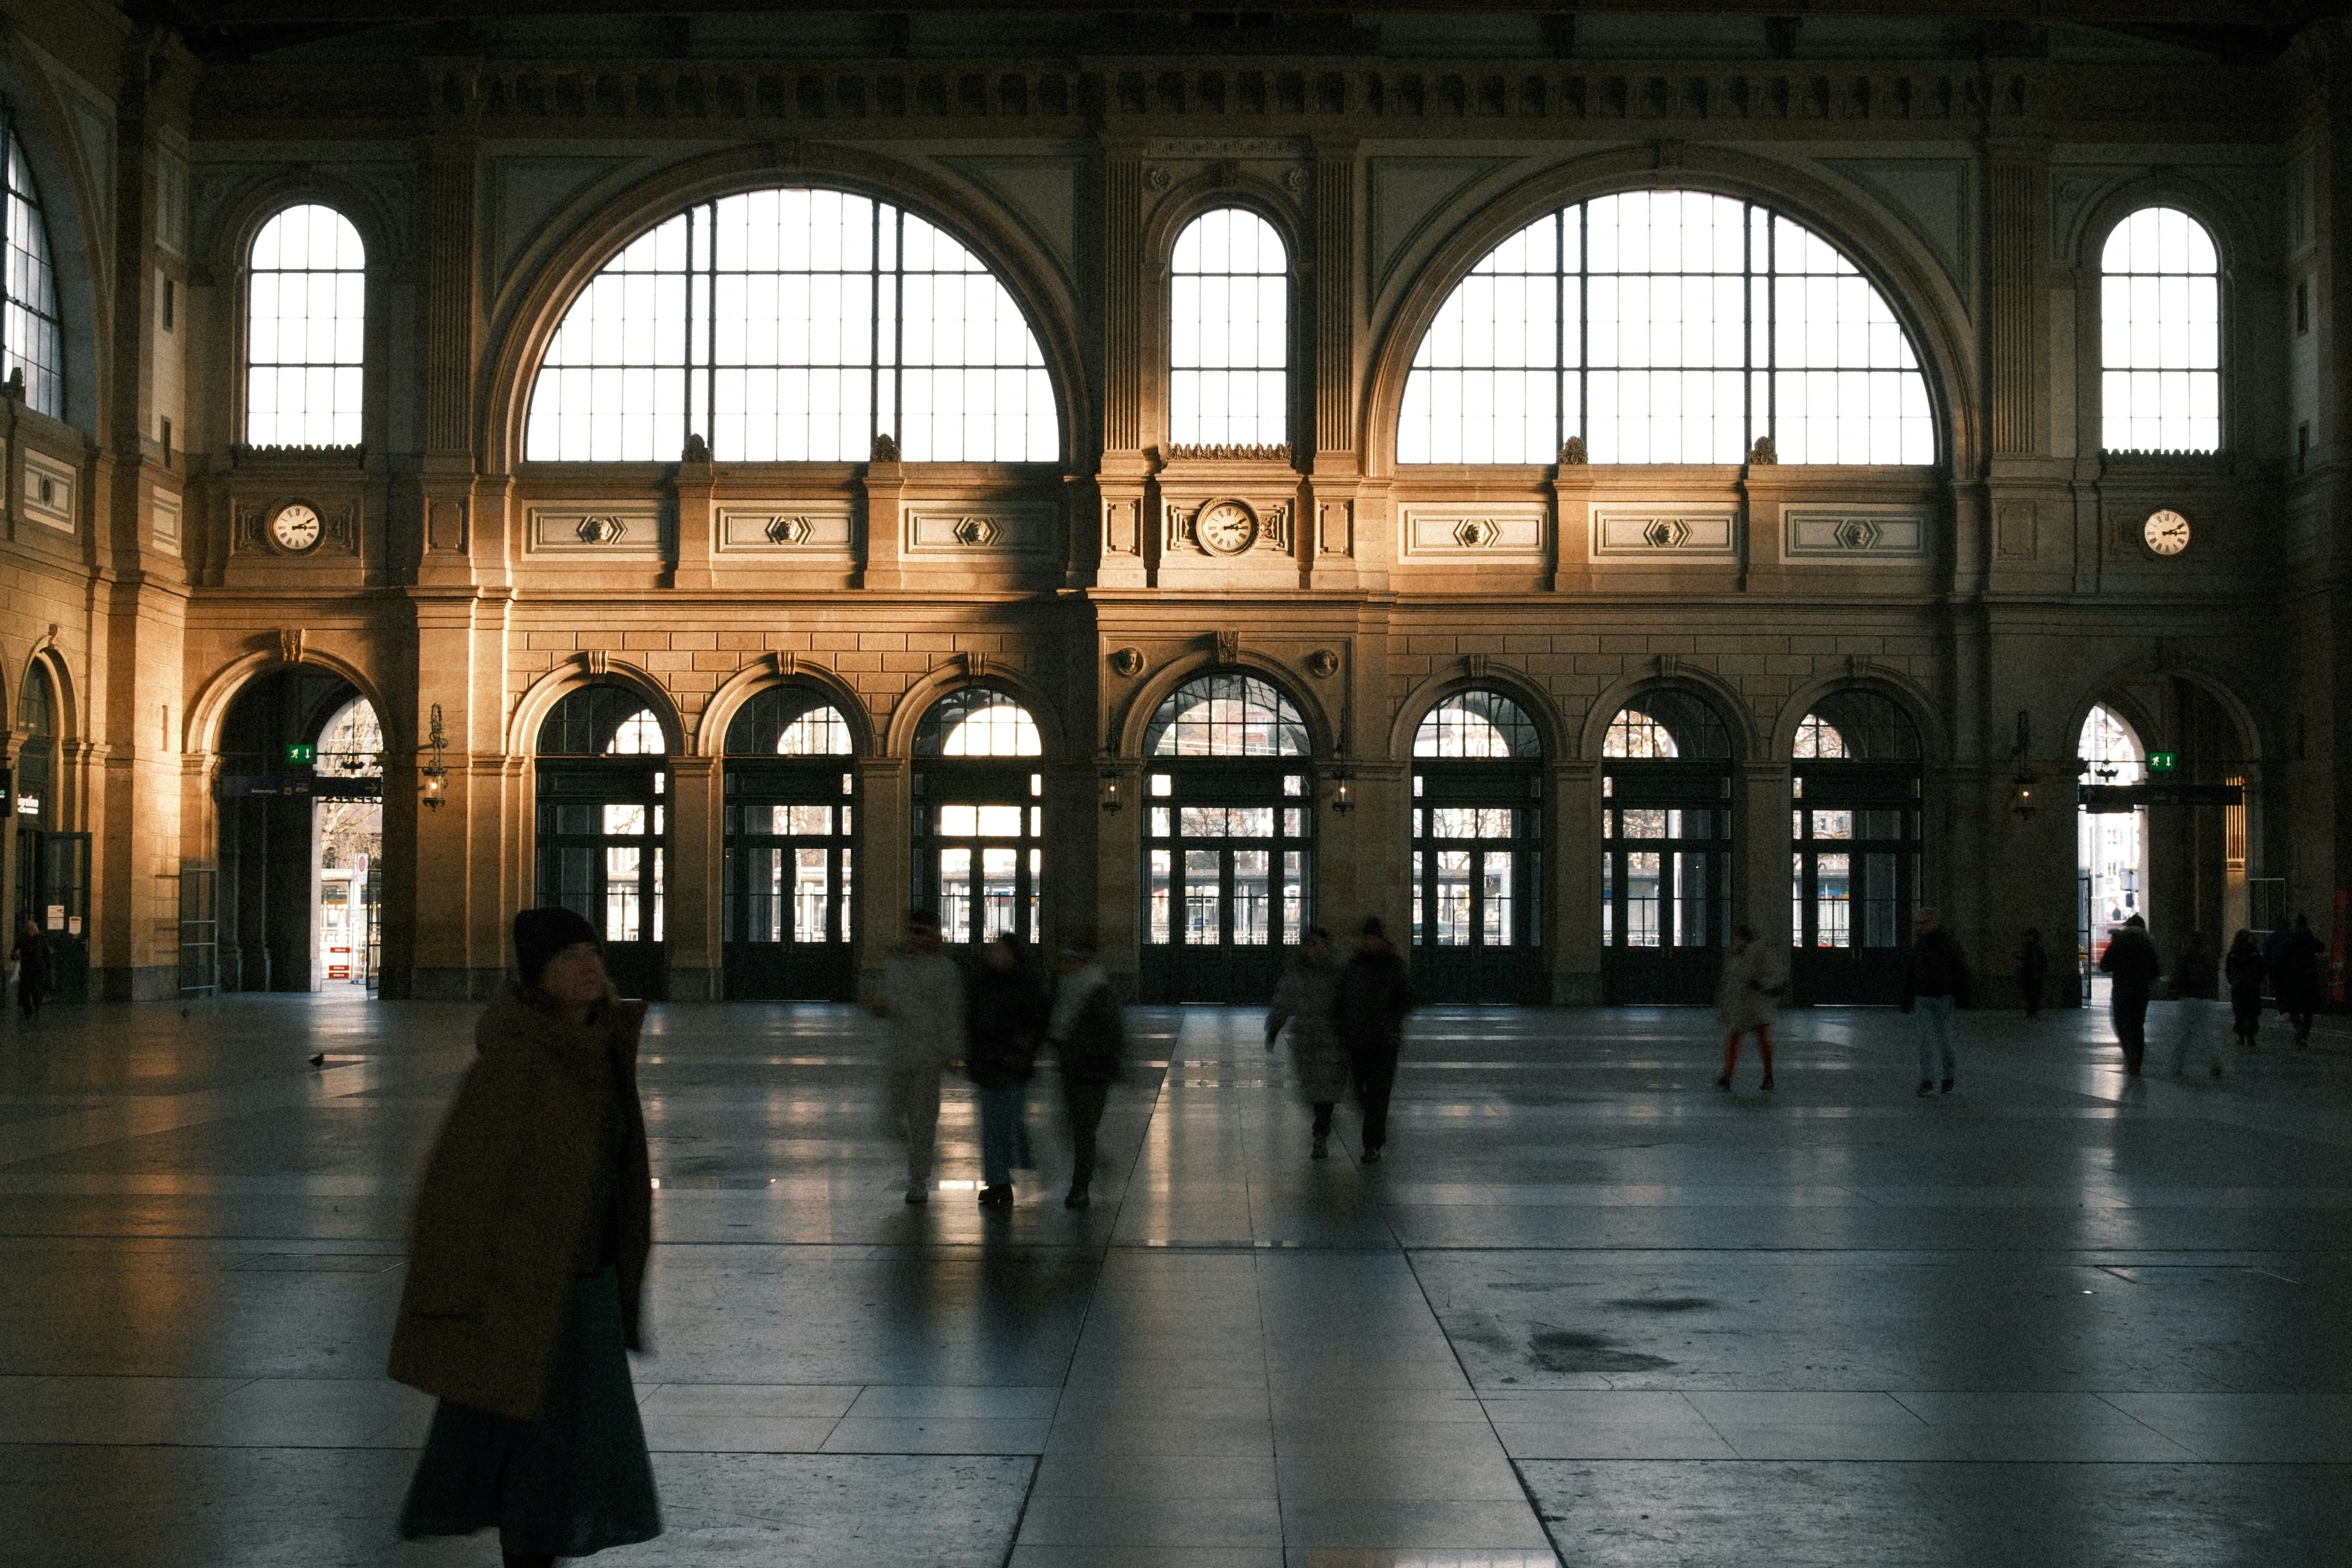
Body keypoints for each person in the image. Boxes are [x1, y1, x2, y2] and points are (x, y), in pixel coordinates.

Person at [390, 906, 660, 1568]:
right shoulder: (519, 1060)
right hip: (527, 1287)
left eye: (593, 953)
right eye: (569, 957)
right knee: (535, 1437)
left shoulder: (599, 1049)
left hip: (586, 1279)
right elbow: (459, 1186)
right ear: (537, 976)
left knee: (565, 1437)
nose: (589, 968)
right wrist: (449, 1297)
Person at [870, 910, 965, 1205]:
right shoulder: (895, 965)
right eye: (911, 931)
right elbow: (882, 999)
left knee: (923, 1121)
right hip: (899, 1053)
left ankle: (918, 1177)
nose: (915, 937)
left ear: (933, 936)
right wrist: (879, 1006)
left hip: (928, 1055)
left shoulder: (944, 970)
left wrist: (953, 1053)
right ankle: (920, 1154)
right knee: (892, 1117)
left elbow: (951, 1014)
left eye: (921, 932)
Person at [966, 932, 1047, 1208]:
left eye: (1000, 951)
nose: (994, 955)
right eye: (993, 950)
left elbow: (1036, 1022)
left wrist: (1023, 1047)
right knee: (992, 1127)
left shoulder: (1026, 985)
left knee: (1008, 1124)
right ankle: (999, 1182)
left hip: (1012, 1065)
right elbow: (971, 1019)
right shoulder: (982, 983)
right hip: (989, 1064)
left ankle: (1015, 1169)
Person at [1047, 939, 1123, 1210]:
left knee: (1083, 1130)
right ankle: (1091, 1169)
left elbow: (1113, 1032)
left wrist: (1113, 1066)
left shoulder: (1097, 990)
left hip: (1092, 1071)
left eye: (1071, 959)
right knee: (1073, 1129)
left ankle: (1080, 1186)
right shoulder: (1066, 986)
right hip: (1071, 1069)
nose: (1066, 964)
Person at [1332, 917, 1413, 1163]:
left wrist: (1391, 1023)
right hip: (1358, 1041)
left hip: (1384, 1042)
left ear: (1380, 939)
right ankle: (1374, 1125)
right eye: (1365, 938)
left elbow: (1407, 998)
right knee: (1360, 1092)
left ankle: (1372, 1144)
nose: (1368, 943)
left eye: (1372, 938)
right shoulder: (1354, 966)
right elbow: (1341, 1000)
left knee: (1379, 1093)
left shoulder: (1394, 966)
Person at [1267, 927, 1348, 1158]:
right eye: (1309, 944)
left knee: (1328, 1087)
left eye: (1317, 944)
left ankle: (1321, 1132)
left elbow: (1351, 1002)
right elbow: (1284, 1000)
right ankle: (1323, 1120)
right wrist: (1274, 1026)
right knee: (1313, 1088)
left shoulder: (1338, 973)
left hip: (1332, 1038)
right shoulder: (1297, 973)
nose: (1313, 949)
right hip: (1306, 1040)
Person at [1899, 908, 1971, 1096]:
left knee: (1946, 1041)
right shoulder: (1919, 945)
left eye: (1925, 923)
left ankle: (1949, 1077)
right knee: (1927, 1041)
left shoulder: (1947, 944)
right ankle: (1928, 1081)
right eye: (1919, 923)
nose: (1921, 927)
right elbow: (1912, 972)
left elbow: (1960, 969)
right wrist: (1907, 997)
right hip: (1923, 998)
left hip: (1944, 998)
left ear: (1935, 923)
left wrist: (1963, 994)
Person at [1713, 924, 1783, 1091]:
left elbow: (1772, 975)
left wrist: (1760, 985)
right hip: (1744, 1005)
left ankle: (1760, 1075)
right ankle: (1731, 1075)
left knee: (1754, 1041)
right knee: (1745, 1040)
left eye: (1738, 939)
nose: (1735, 942)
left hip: (1754, 1004)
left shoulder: (1756, 953)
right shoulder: (1738, 956)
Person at [2099, 914, 2162, 1075]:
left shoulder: (2120, 941)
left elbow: (2105, 966)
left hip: (2122, 990)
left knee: (2122, 1025)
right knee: (2137, 1027)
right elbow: (2156, 971)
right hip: (2141, 991)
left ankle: (2130, 1056)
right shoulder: (2148, 943)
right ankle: (2137, 1064)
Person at [2169, 930, 2226, 1079]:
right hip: (2207, 998)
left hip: (2189, 998)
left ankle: (2177, 1066)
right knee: (2211, 1033)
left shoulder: (2186, 957)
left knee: (2184, 1034)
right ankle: (2216, 1062)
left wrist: (2174, 987)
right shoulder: (2210, 957)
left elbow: (2178, 978)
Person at [2273, 913, 2326, 1048]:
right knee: (2308, 1010)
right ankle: (2304, 1034)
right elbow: (2321, 947)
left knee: (2294, 1009)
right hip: (2309, 978)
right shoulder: (2309, 939)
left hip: (2294, 979)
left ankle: (2300, 1031)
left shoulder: (2291, 940)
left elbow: (2281, 958)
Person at [2223, 929, 2266, 1052]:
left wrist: (2232, 981)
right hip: (2251, 986)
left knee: (2240, 1010)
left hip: (2238, 986)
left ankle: (2241, 1035)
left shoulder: (2233, 953)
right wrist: (2258, 982)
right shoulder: (2254, 953)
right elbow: (2261, 969)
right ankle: (2251, 1035)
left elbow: (2228, 970)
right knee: (2252, 1011)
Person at [12, 918, 53, 1022]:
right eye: (29, 930)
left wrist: (49, 967)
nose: (31, 932)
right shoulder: (22, 940)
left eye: (33, 930)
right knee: (25, 992)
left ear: (36, 930)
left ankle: (37, 1007)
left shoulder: (41, 940)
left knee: (36, 991)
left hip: (38, 969)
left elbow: (47, 954)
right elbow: (14, 955)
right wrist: (18, 956)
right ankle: (28, 1011)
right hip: (26, 969)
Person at [2017, 928, 2049, 1020]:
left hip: (2033, 974)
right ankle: (2031, 1011)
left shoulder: (2034, 948)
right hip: (2029, 974)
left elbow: (2042, 961)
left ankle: (2032, 1011)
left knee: (2034, 994)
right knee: (2030, 994)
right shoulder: (2031, 948)